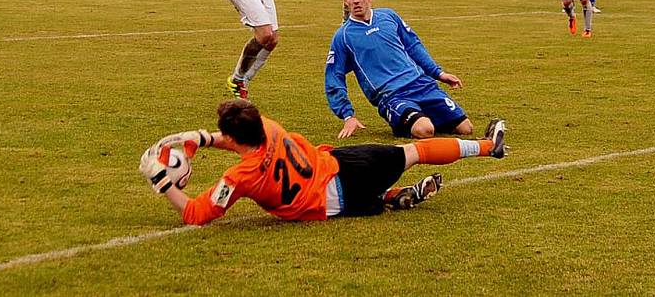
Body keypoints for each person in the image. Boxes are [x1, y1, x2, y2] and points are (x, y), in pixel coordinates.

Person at [138, 99, 508, 225]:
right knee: (415, 153)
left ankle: (391, 197)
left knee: (369, 202)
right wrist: (200, 139)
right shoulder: (269, 126)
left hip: (332, 201)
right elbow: (237, 140)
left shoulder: (239, 177)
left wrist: (164, 181)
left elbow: (195, 214)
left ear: (234, 139)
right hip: (342, 163)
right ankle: (488, 146)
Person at [325, 0, 475, 139]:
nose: (356, 0)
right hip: (392, 95)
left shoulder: (389, 16)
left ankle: (420, 114)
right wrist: (348, 115)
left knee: (466, 128)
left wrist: (438, 73)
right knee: (425, 130)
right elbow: (334, 76)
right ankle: (414, 118)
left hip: (422, 85)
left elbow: (413, 46)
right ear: (345, 1)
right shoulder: (343, 36)